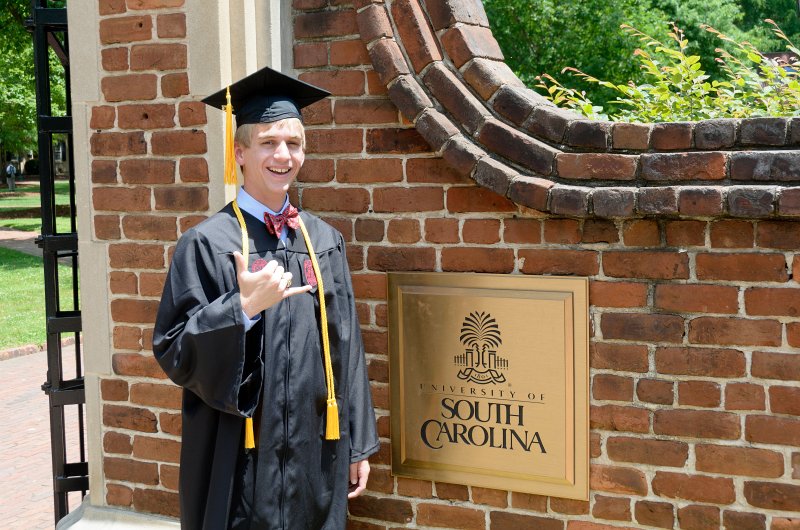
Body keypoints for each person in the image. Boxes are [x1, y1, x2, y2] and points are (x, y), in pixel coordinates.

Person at [153, 66, 379, 530]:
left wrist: (357, 445)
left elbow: (348, 347)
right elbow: (174, 351)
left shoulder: (323, 240)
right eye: (268, 142)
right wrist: (242, 309)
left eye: (293, 143)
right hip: (238, 451)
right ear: (239, 152)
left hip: (315, 448)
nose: (283, 155)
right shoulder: (207, 243)